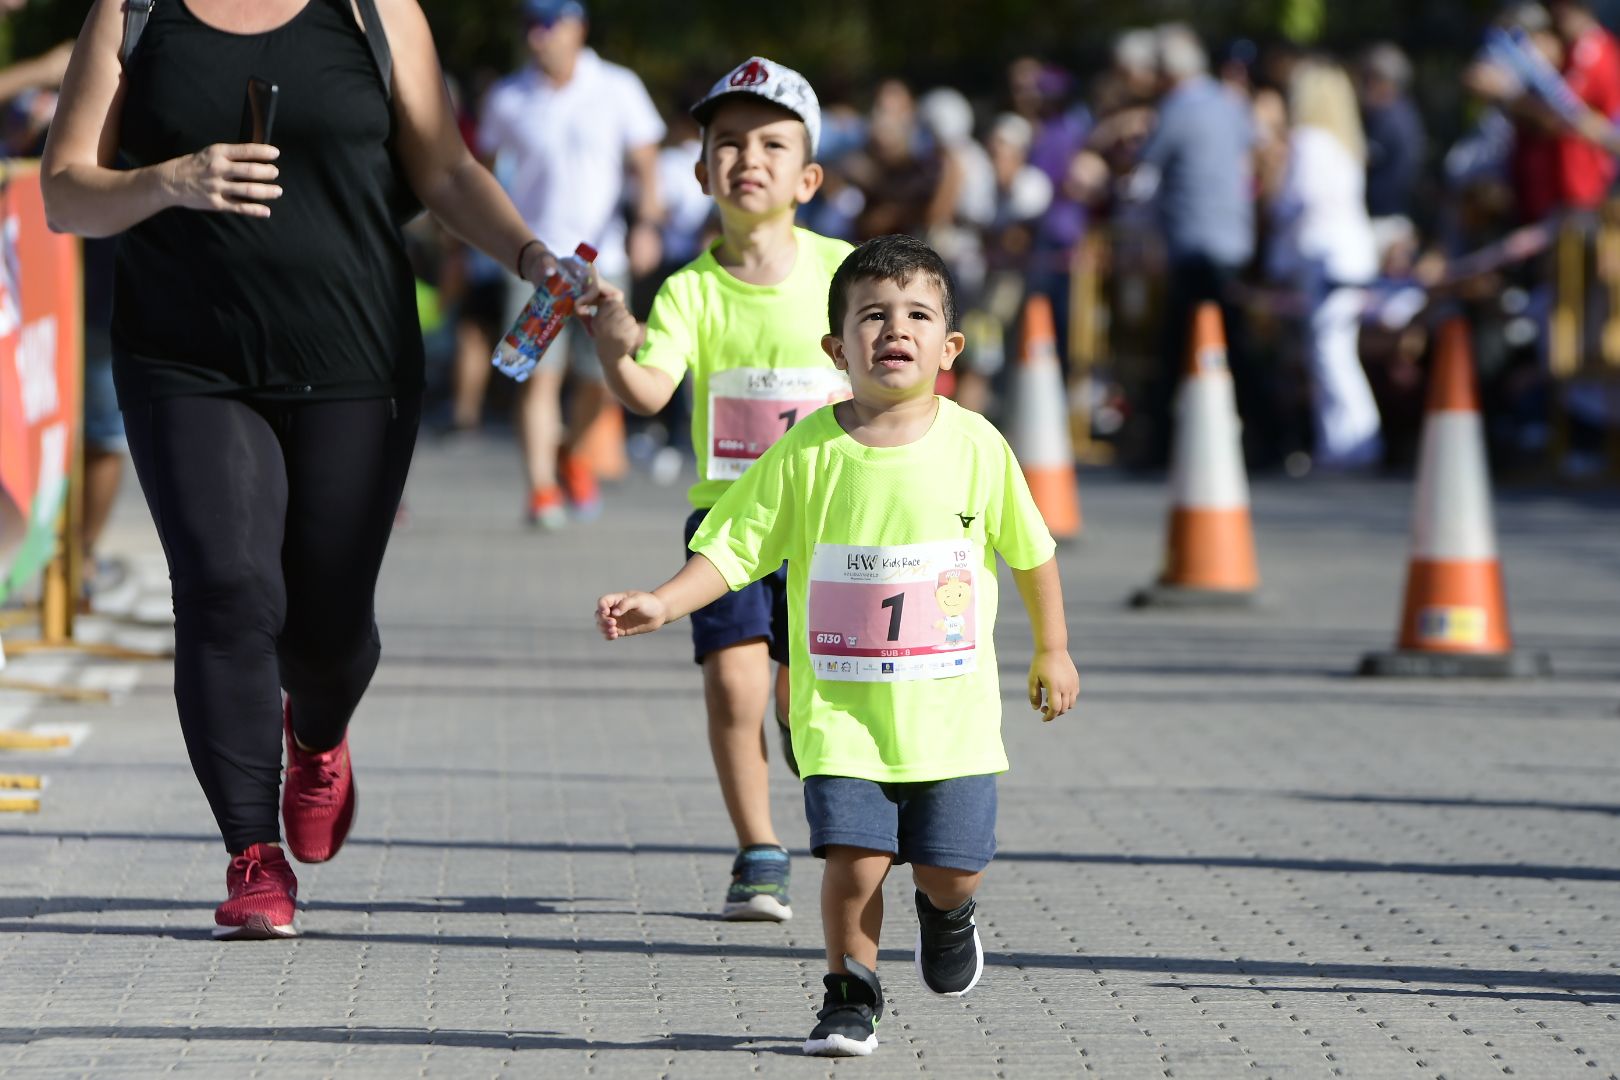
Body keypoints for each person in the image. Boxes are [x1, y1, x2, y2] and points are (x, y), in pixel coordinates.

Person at [41, 0, 578, 939]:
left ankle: (318, 733)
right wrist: (170, 179)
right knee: (226, 590)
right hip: (187, 361)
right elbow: (65, 190)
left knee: (326, 627)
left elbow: (445, 169)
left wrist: (530, 255)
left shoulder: (376, 11)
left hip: (355, 360)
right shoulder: (133, 13)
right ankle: (253, 856)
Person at [595, 235, 1080, 1056]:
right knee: (853, 863)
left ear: (949, 346)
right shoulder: (807, 452)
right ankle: (849, 993)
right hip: (842, 719)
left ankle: (948, 912)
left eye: (918, 314)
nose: (896, 329)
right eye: (873, 316)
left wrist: (1053, 650)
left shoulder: (977, 446)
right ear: (836, 348)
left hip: (950, 721)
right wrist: (666, 601)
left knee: (951, 866)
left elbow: (1031, 552)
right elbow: (735, 546)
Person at [589, 57, 851, 922]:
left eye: (773, 144)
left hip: (832, 526)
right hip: (731, 525)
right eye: (728, 143)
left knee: (800, 699)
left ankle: (842, 827)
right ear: (701, 172)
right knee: (736, 687)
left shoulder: (846, 274)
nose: (750, 159)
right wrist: (608, 334)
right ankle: (758, 851)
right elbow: (648, 391)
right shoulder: (691, 289)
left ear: (807, 177)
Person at [476, 0, 664, 527]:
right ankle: (541, 489)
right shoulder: (508, 96)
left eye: (549, 24)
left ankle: (571, 455)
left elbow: (645, 162)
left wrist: (648, 222)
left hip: (604, 262)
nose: (538, 37)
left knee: (598, 378)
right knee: (536, 375)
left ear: (577, 26)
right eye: (530, 26)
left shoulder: (618, 86)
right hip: (536, 261)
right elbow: (480, 175)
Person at [1126, 23, 1259, 468]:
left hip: (1195, 246)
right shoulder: (1230, 104)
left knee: (1181, 349)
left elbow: (1145, 174)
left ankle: (1161, 447)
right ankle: (1260, 440)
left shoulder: (1176, 110)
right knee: (1233, 344)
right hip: (1234, 243)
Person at [1268, 60, 1383, 471]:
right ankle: (1345, 443)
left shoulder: (1310, 141)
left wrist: (1273, 204)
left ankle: (1352, 445)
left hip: (1324, 259)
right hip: (1348, 255)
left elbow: (1295, 199)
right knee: (1335, 353)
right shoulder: (1343, 143)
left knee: (1329, 354)